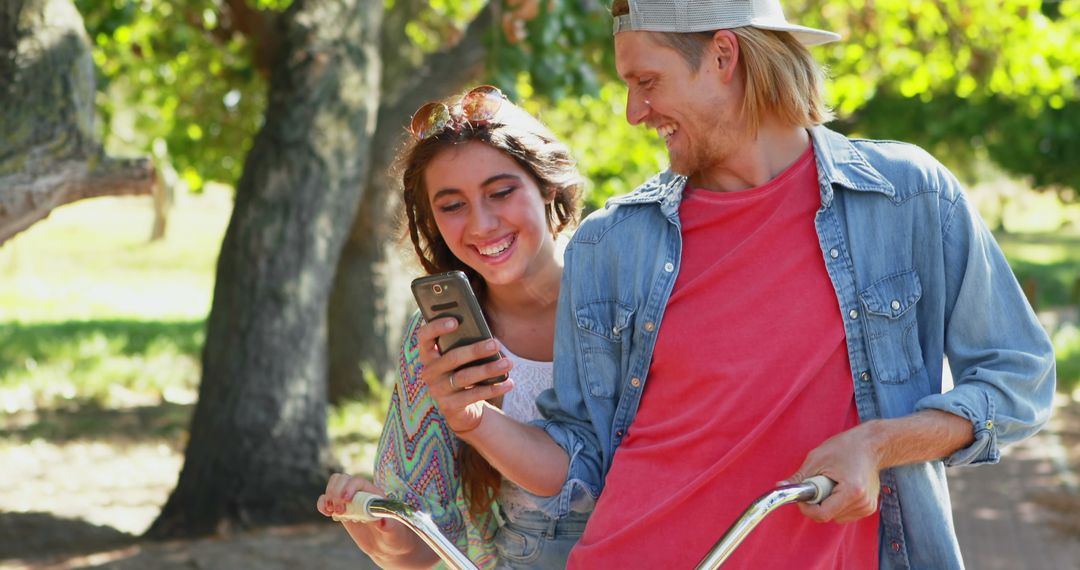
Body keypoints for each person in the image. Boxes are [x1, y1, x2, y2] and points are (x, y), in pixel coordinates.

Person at [428, 1, 1058, 569]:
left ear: (724, 56)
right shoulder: (610, 244)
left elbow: (1017, 380)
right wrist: (474, 419)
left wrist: (880, 443)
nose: (633, 112)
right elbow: (582, 460)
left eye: (647, 82)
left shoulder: (906, 196)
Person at [315, 85, 590, 569]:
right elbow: (418, 549)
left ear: (547, 187)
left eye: (501, 192)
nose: (481, 224)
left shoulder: (623, 303)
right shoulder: (440, 338)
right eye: (452, 205)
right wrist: (375, 526)